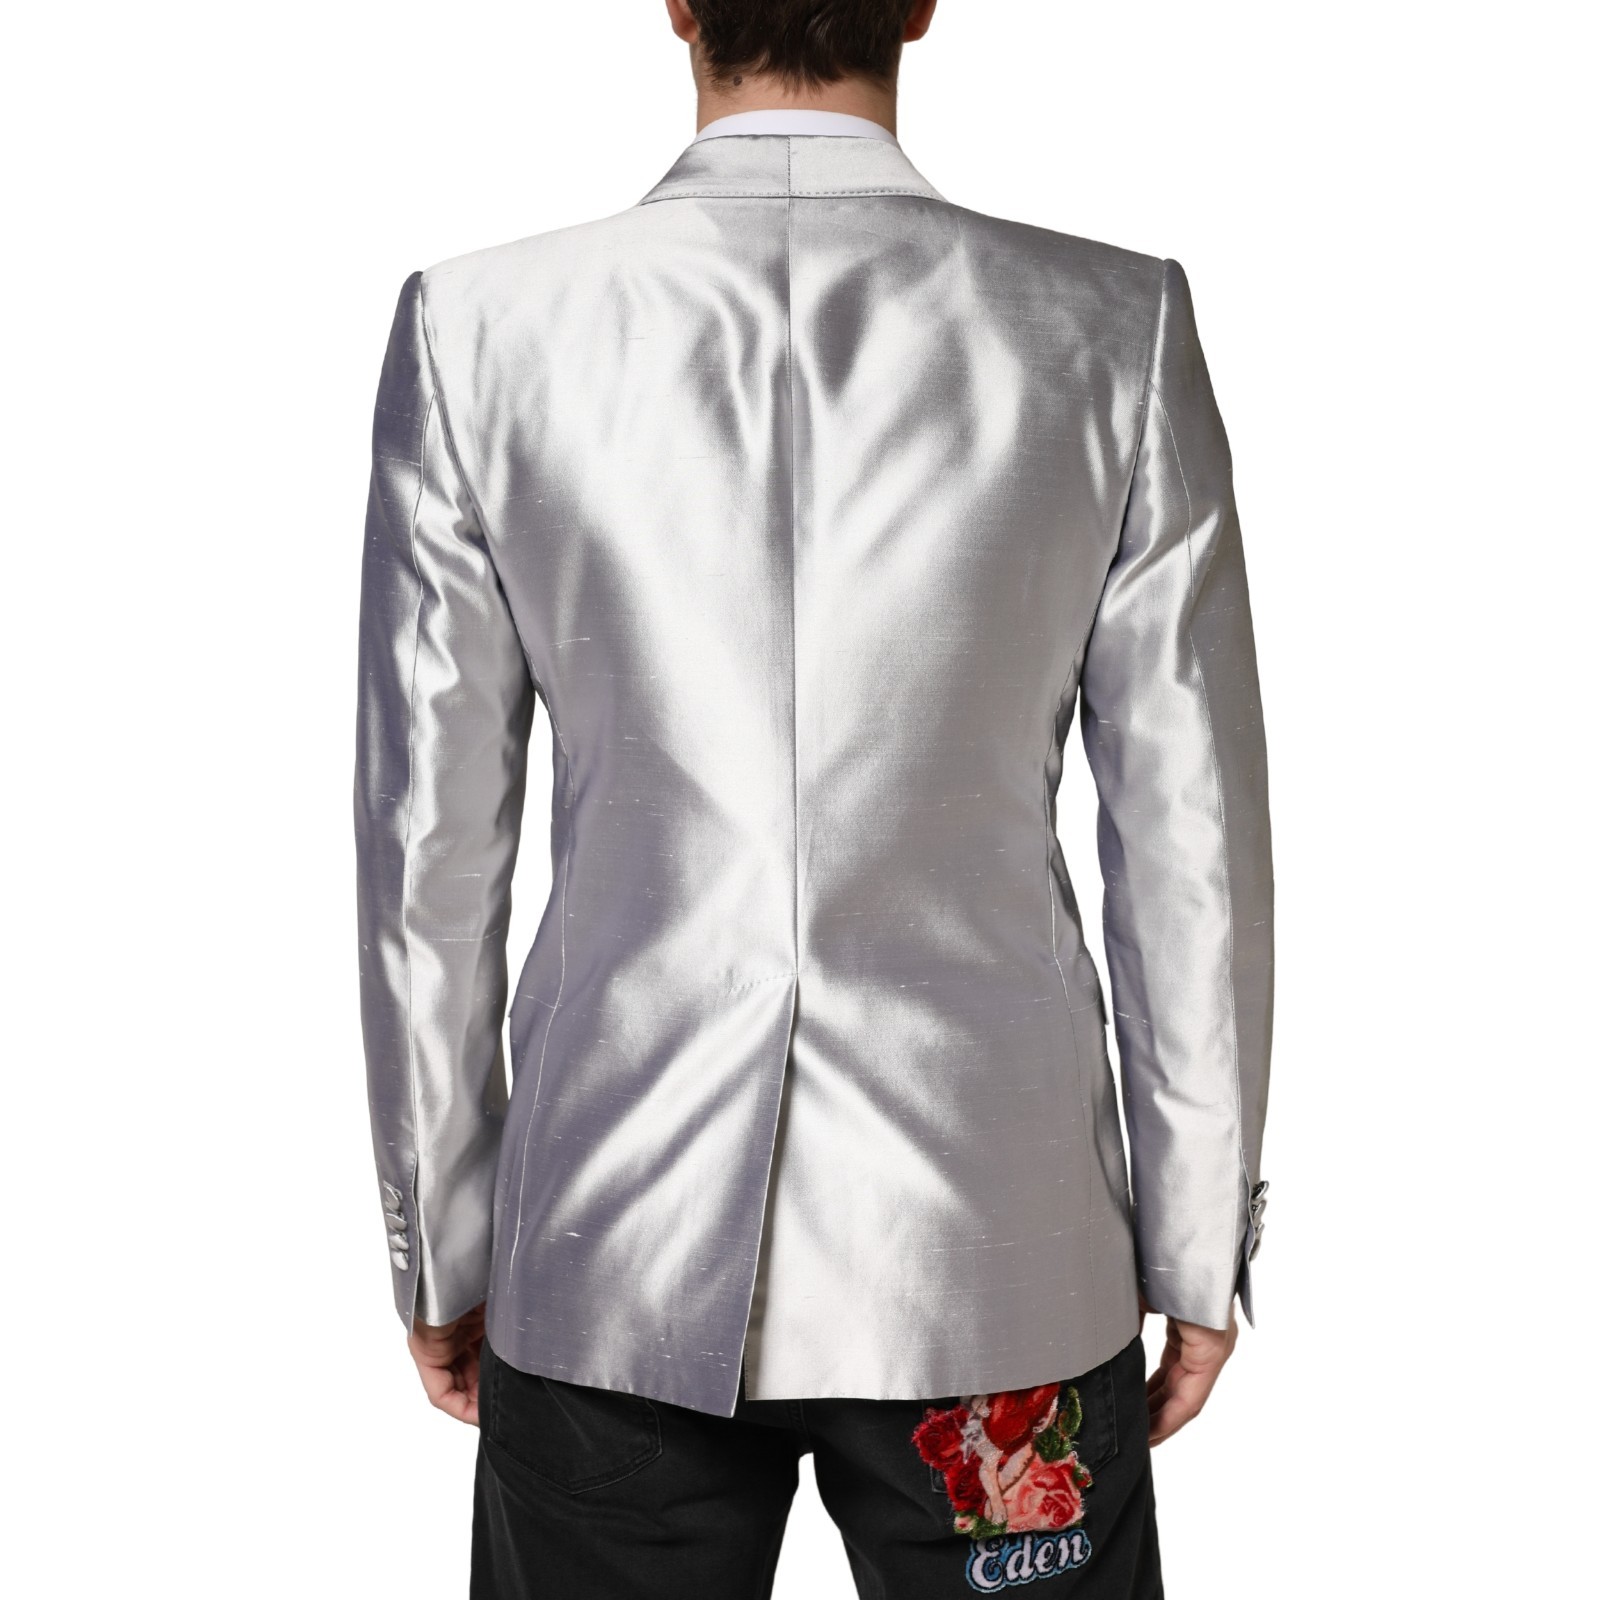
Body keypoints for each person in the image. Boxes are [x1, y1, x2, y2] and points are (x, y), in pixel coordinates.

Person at [351, 2, 1274, 1594]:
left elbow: (428, 857)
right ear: (919, 3)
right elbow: (1190, 843)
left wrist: (444, 1231)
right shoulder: (1105, 327)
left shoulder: (483, 329)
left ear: (677, 2)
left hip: (606, 1246)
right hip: (997, 1268)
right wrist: (1197, 1238)